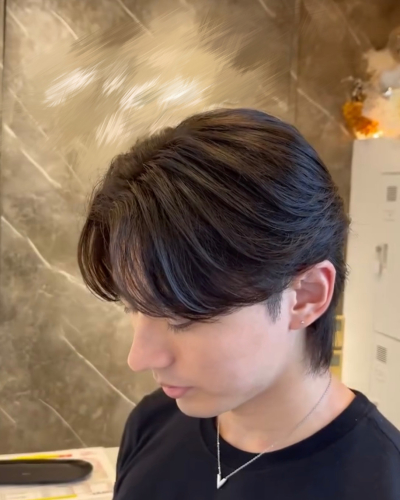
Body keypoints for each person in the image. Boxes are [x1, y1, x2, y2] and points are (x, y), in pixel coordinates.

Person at [78, 109, 400, 499]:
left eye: (182, 317)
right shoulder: (152, 421)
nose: (139, 358)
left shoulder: (382, 483)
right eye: (133, 307)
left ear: (307, 296)